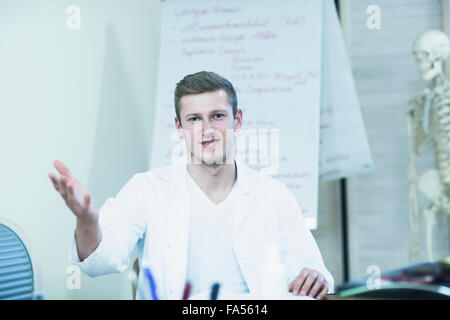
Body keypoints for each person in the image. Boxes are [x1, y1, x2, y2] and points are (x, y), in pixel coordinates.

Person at [48, 71, 334, 300]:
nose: (207, 130)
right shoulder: (148, 189)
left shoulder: (274, 195)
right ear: (179, 127)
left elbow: (314, 275)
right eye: (194, 119)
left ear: (238, 120)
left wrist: (317, 279)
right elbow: (100, 262)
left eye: (217, 116)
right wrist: (87, 220)